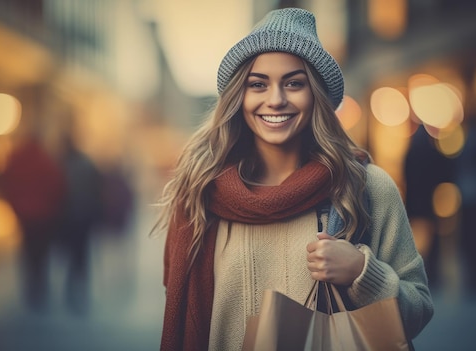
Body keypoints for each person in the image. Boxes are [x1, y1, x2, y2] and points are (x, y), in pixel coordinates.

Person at [153, 7, 434, 351]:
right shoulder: (200, 195)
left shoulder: (365, 188)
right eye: (258, 84)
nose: (275, 100)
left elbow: (418, 309)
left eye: (294, 83)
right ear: (238, 96)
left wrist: (363, 272)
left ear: (315, 94)